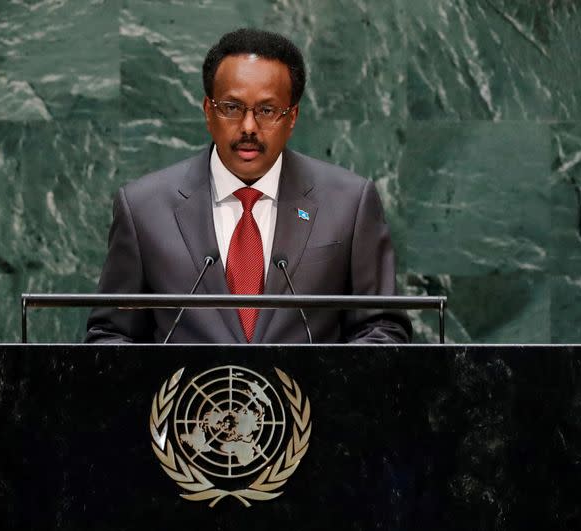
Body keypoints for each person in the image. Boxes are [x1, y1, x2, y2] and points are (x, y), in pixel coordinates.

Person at [85, 28, 411, 344]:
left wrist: (330, 389)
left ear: (292, 116)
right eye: (231, 108)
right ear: (207, 111)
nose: (248, 127)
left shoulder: (349, 203)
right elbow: (111, 335)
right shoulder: (144, 208)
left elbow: (381, 329)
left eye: (267, 111)